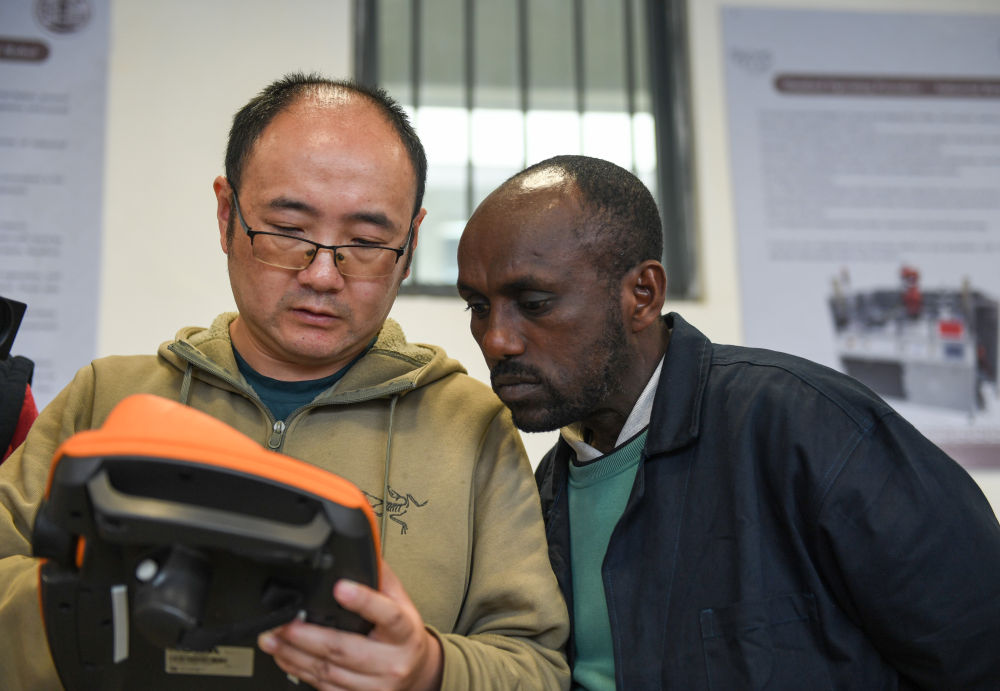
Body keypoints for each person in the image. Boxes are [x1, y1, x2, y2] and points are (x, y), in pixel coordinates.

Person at [0, 74, 569, 690]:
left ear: (408, 244)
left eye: (366, 242)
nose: (323, 275)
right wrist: (94, 609)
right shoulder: (107, 399)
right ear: (227, 214)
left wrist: (428, 669)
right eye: (289, 232)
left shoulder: (471, 427)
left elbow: (535, 666)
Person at [456, 154, 1000, 689]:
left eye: (534, 302)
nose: (497, 339)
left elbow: (979, 649)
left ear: (642, 295)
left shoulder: (808, 428)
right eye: (478, 307)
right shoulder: (544, 493)